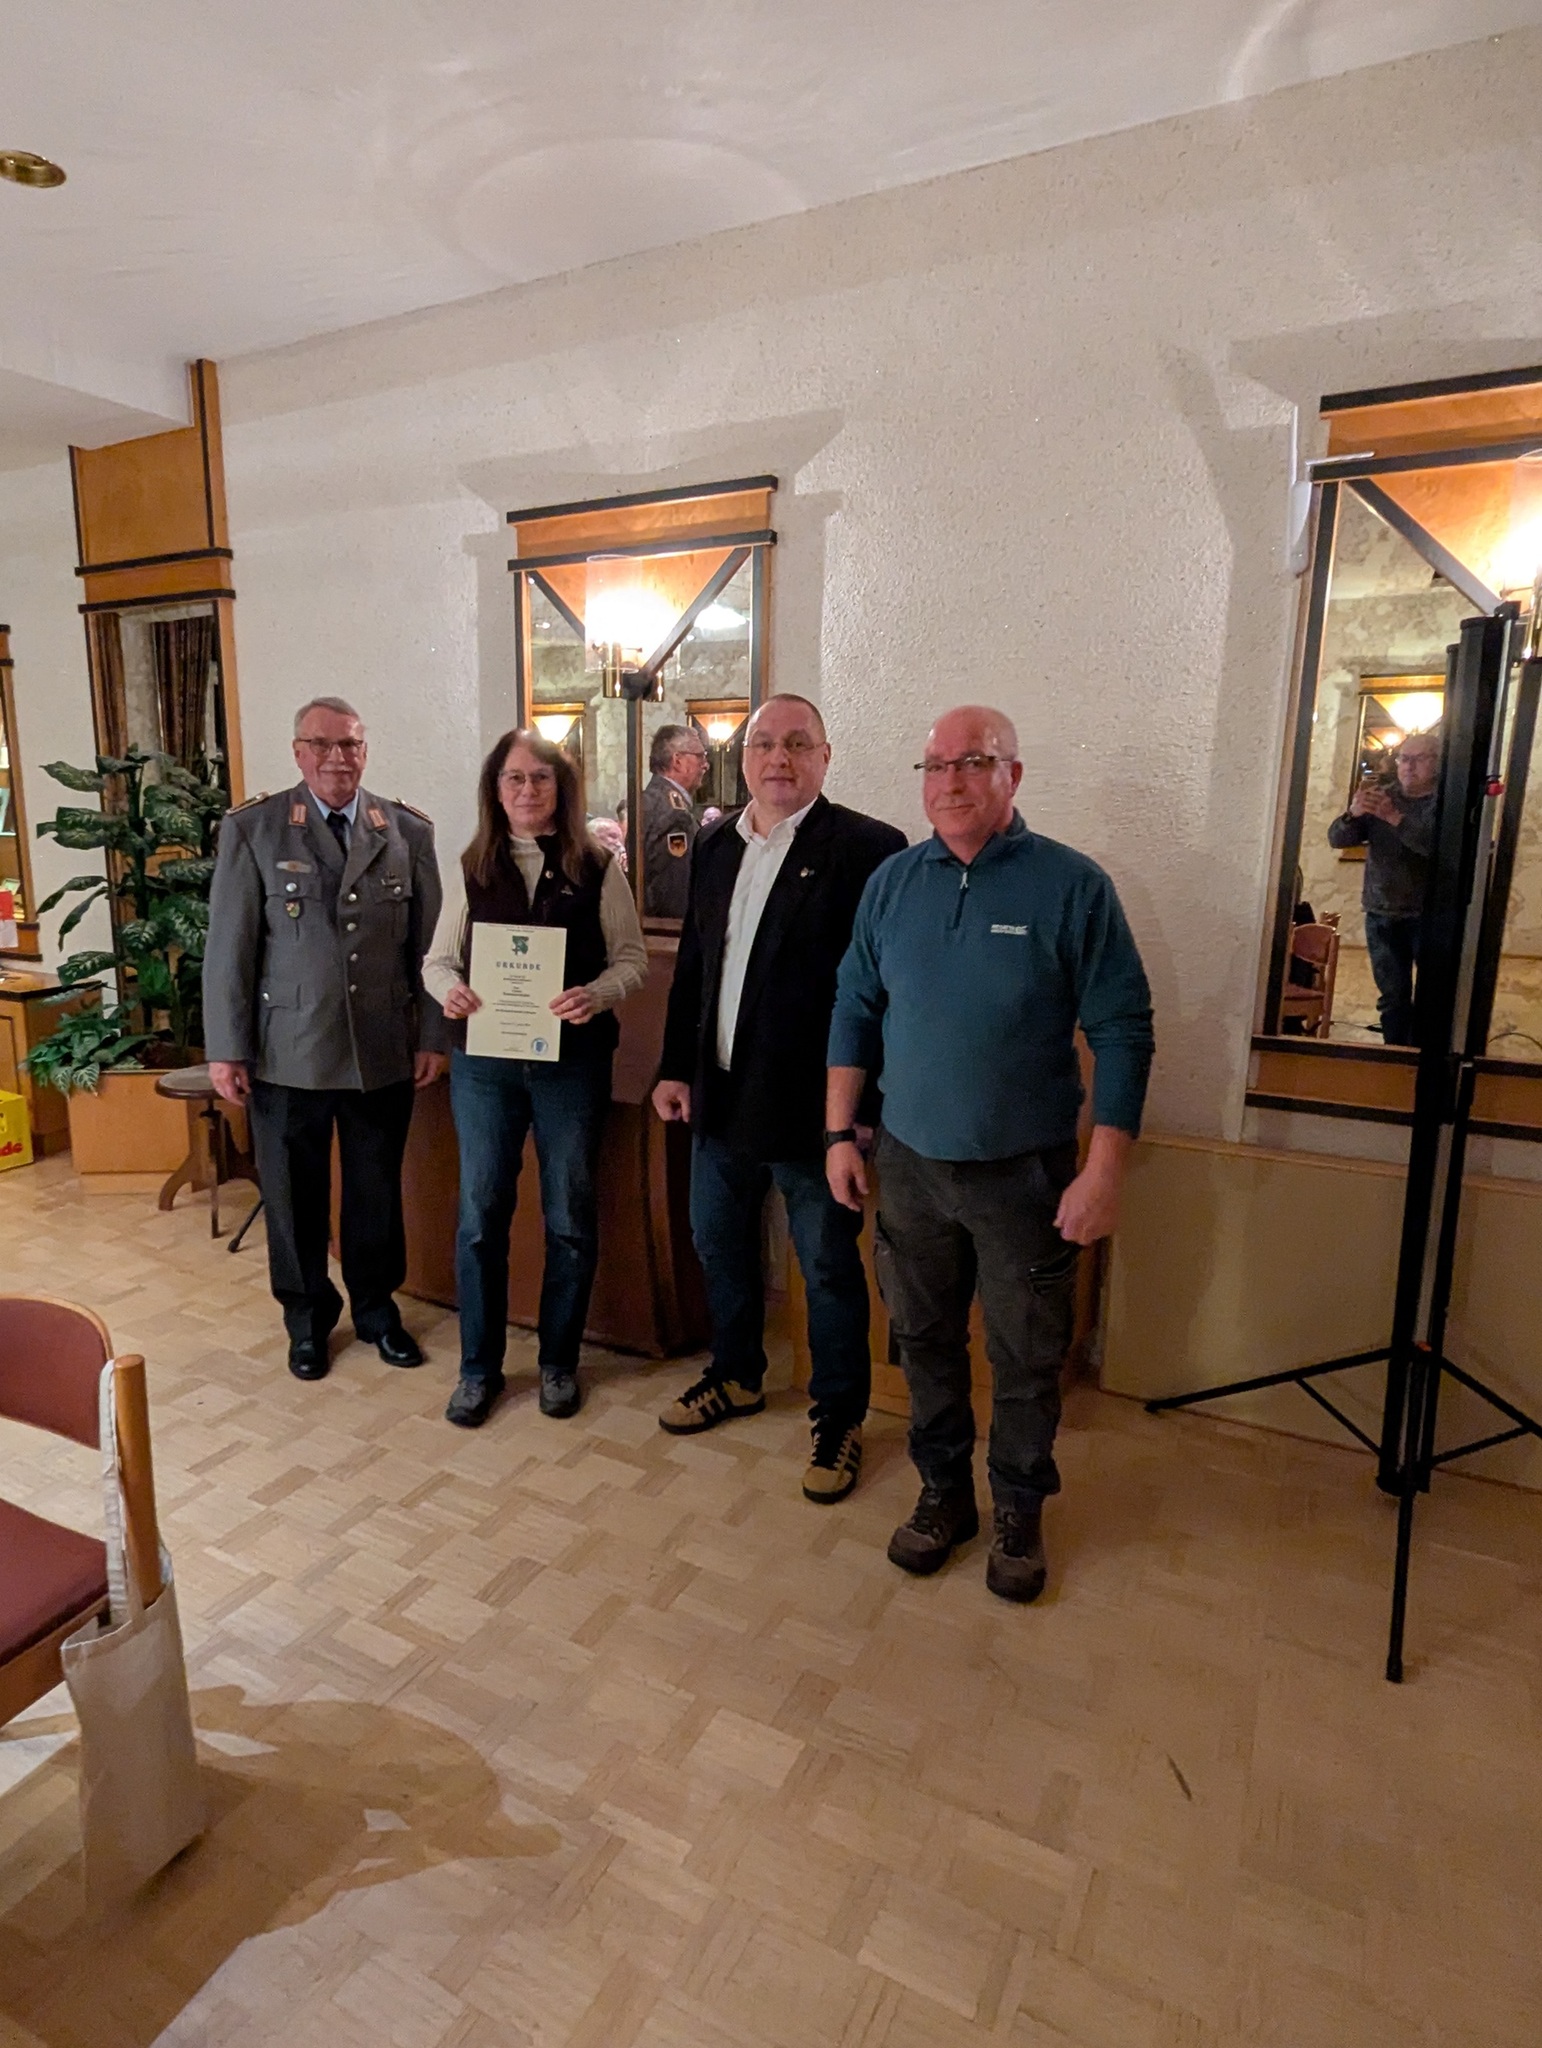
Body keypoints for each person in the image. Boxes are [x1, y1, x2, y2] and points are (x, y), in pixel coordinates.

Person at [826, 705, 1153, 1602]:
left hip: (1026, 1174)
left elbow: (1124, 1030)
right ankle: (943, 1495)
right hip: (909, 1167)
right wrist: (838, 1133)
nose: (950, 782)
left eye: (972, 762)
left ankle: (1017, 1507)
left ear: (1014, 774)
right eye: (934, 766)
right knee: (923, 1341)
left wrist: (1105, 1169)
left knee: (1026, 1356)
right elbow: (854, 1007)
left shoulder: (1072, 886)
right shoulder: (893, 884)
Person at [652, 694, 906, 1501]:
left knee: (826, 1268)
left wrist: (861, 1115)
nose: (779, 758)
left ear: (825, 758)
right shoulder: (715, 842)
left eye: (798, 744)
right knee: (716, 1240)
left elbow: (881, 996)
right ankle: (736, 1374)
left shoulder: (869, 849)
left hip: (815, 1111)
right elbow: (696, 966)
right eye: (764, 743)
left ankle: (840, 1418)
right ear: (744, 757)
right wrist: (674, 1068)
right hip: (720, 1094)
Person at [205, 697, 445, 1380]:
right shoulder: (254, 829)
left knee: (376, 1194)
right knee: (291, 1199)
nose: (338, 758)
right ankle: (307, 1320)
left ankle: (377, 1311)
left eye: (351, 745)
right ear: (298, 752)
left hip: (379, 1051)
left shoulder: (405, 830)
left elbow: (429, 950)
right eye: (323, 745)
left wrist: (433, 1035)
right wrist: (226, 1048)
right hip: (287, 1053)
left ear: (365, 751)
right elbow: (230, 949)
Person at [422, 728, 648, 1427]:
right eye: (514, 779)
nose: (527, 790)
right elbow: (436, 963)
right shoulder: (471, 865)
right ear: (496, 790)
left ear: (561, 787)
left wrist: (597, 994)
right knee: (480, 1217)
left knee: (570, 1216)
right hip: (485, 1065)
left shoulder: (596, 865)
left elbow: (632, 958)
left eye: (540, 778)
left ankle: (558, 1364)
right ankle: (477, 1370)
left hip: (571, 1066)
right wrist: (450, 993)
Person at [1327, 730, 1441, 1046]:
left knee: (1433, 994)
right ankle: (1396, 1056)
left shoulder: (1445, 801)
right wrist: (1352, 815)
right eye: (1404, 758)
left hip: (1428, 915)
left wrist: (1395, 819)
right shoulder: (1382, 795)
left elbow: (1438, 848)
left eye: (1419, 759)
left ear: (1437, 763)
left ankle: (1425, 1056)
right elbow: (1337, 839)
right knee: (1392, 995)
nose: (1408, 766)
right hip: (1381, 912)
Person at [642, 724, 708, 917]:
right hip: (667, 927)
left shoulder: (647, 800)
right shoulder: (675, 815)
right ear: (677, 761)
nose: (705, 765)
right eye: (700, 756)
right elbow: (675, 889)